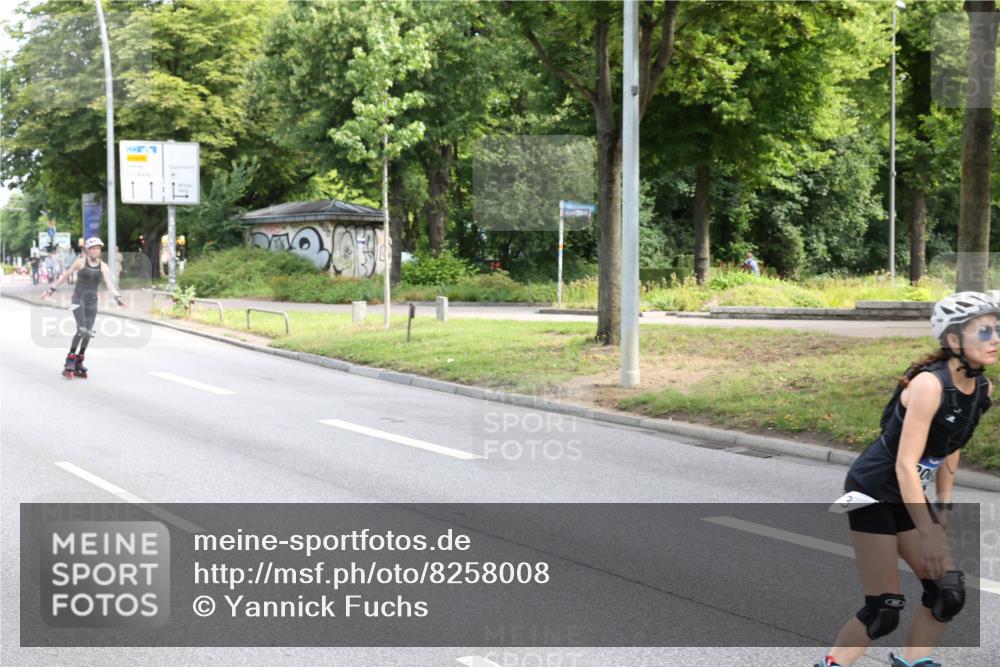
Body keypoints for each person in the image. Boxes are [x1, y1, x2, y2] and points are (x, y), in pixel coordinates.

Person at [817, 292, 998, 667]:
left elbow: (950, 446)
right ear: (953, 340)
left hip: (908, 493)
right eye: (984, 331)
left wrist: (943, 508)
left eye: (998, 330)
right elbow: (904, 465)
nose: (995, 338)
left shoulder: (982, 388)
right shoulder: (929, 386)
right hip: (872, 490)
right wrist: (928, 531)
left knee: (948, 592)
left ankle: (913, 661)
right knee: (884, 609)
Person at [41, 237, 124, 379]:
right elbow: (65, 276)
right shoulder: (80, 263)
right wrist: (51, 289)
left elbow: (110, 285)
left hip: (92, 301)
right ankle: (70, 361)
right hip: (77, 300)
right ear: (87, 250)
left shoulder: (103, 266)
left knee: (88, 333)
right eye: (92, 248)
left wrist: (117, 297)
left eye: (98, 248)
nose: (95, 251)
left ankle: (79, 360)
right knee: (82, 330)